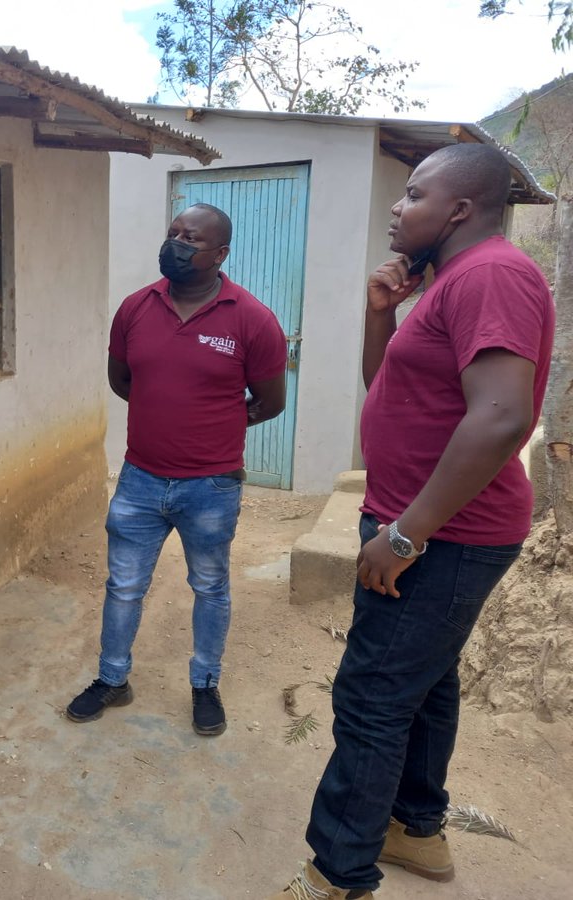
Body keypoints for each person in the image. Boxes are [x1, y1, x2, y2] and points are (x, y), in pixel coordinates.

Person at [268, 143, 555, 899]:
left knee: (371, 699)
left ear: (460, 209)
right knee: (424, 685)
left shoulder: (492, 274)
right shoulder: (449, 280)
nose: (398, 208)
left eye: (414, 194)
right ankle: (415, 830)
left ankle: (338, 876)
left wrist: (405, 534)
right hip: (434, 525)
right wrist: (381, 316)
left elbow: (500, 418)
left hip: (447, 535)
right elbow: (387, 386)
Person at [66, 203, 288, 736]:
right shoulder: (135, 309)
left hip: (211, 486)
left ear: (220, 254)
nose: (177, 244)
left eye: (191, 238)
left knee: (210, 586)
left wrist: (209, 428)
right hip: (139, 480)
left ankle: (205, 684)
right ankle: (112, 679)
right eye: (173, 233)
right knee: (123, 586)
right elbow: (123, 382)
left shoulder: (252, 319)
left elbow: (270, 402)